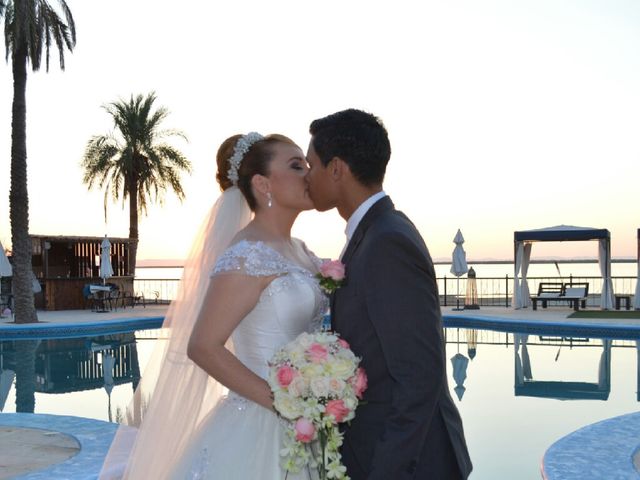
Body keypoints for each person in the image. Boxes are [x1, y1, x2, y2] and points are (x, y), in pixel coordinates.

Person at [100, 133, 328, 479]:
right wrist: (283, 403)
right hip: (261, 422)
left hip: (308, 417)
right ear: (263, 184)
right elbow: (203, 346)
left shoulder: (301, 249)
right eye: (296, 166)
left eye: (307, 165)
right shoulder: (247, 254)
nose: (308, 174)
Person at [305, 108, 473, 480]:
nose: (307, 177)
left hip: (410, 463)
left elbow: (417, 377)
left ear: (336, 169)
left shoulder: (386, 242)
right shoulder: (375, 232)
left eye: (310, 164)